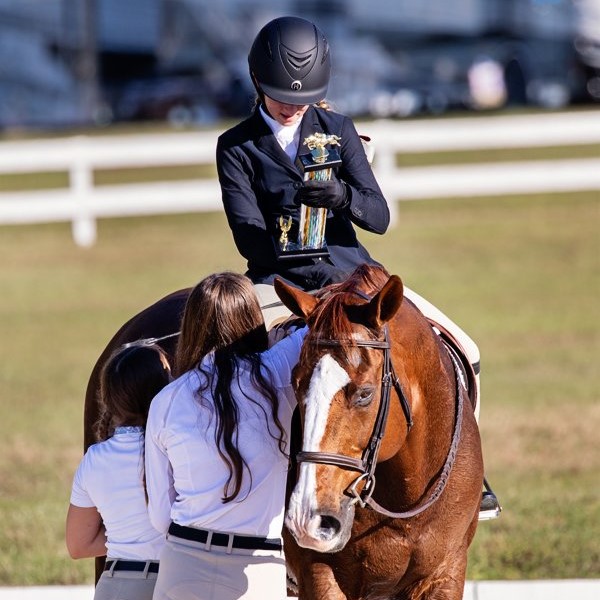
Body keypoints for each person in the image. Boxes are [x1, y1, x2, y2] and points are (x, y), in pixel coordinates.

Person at [217, 15, 500, 518]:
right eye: (282, 95)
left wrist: (341, 195)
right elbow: (248, 235)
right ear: (257, 81)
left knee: (464, 349)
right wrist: (294, 225)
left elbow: (380, 216)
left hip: (353, 276)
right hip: (279, 283)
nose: (291, 107)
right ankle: (252, 481)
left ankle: (465, 475)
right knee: (245, 374)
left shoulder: (337, 129)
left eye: (301, 98)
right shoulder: (236, 147)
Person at [145, 272, 308, 600]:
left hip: (183, 563)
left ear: (191, 326)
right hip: (258, 570)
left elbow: (160, 516)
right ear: (252, 321)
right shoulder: (277, 371)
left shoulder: (167, 400)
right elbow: (321, 326)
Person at [66, 342, 172, 600]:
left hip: (112, 587)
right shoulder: (173, 451)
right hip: (163, 585)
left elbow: (78, 544)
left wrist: (125, 537)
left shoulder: (95, 458)